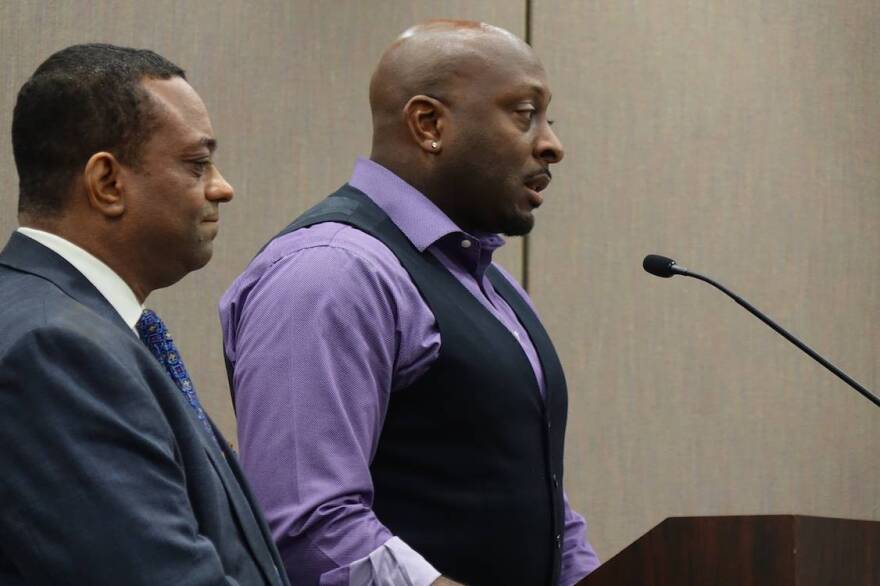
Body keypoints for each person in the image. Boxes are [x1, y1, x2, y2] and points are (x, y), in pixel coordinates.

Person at [220, 21, 600, 586]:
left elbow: (541, 505)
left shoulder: (489, 282)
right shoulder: (331, 271)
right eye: (524, 114)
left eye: (549, 119)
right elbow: (307, 526)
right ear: (429, 124)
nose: (552, 144)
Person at [0, 44, 288, 586]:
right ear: (108, 183)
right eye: (197, 164)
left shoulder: (83, 327)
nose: (222, 188)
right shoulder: (55, 349)